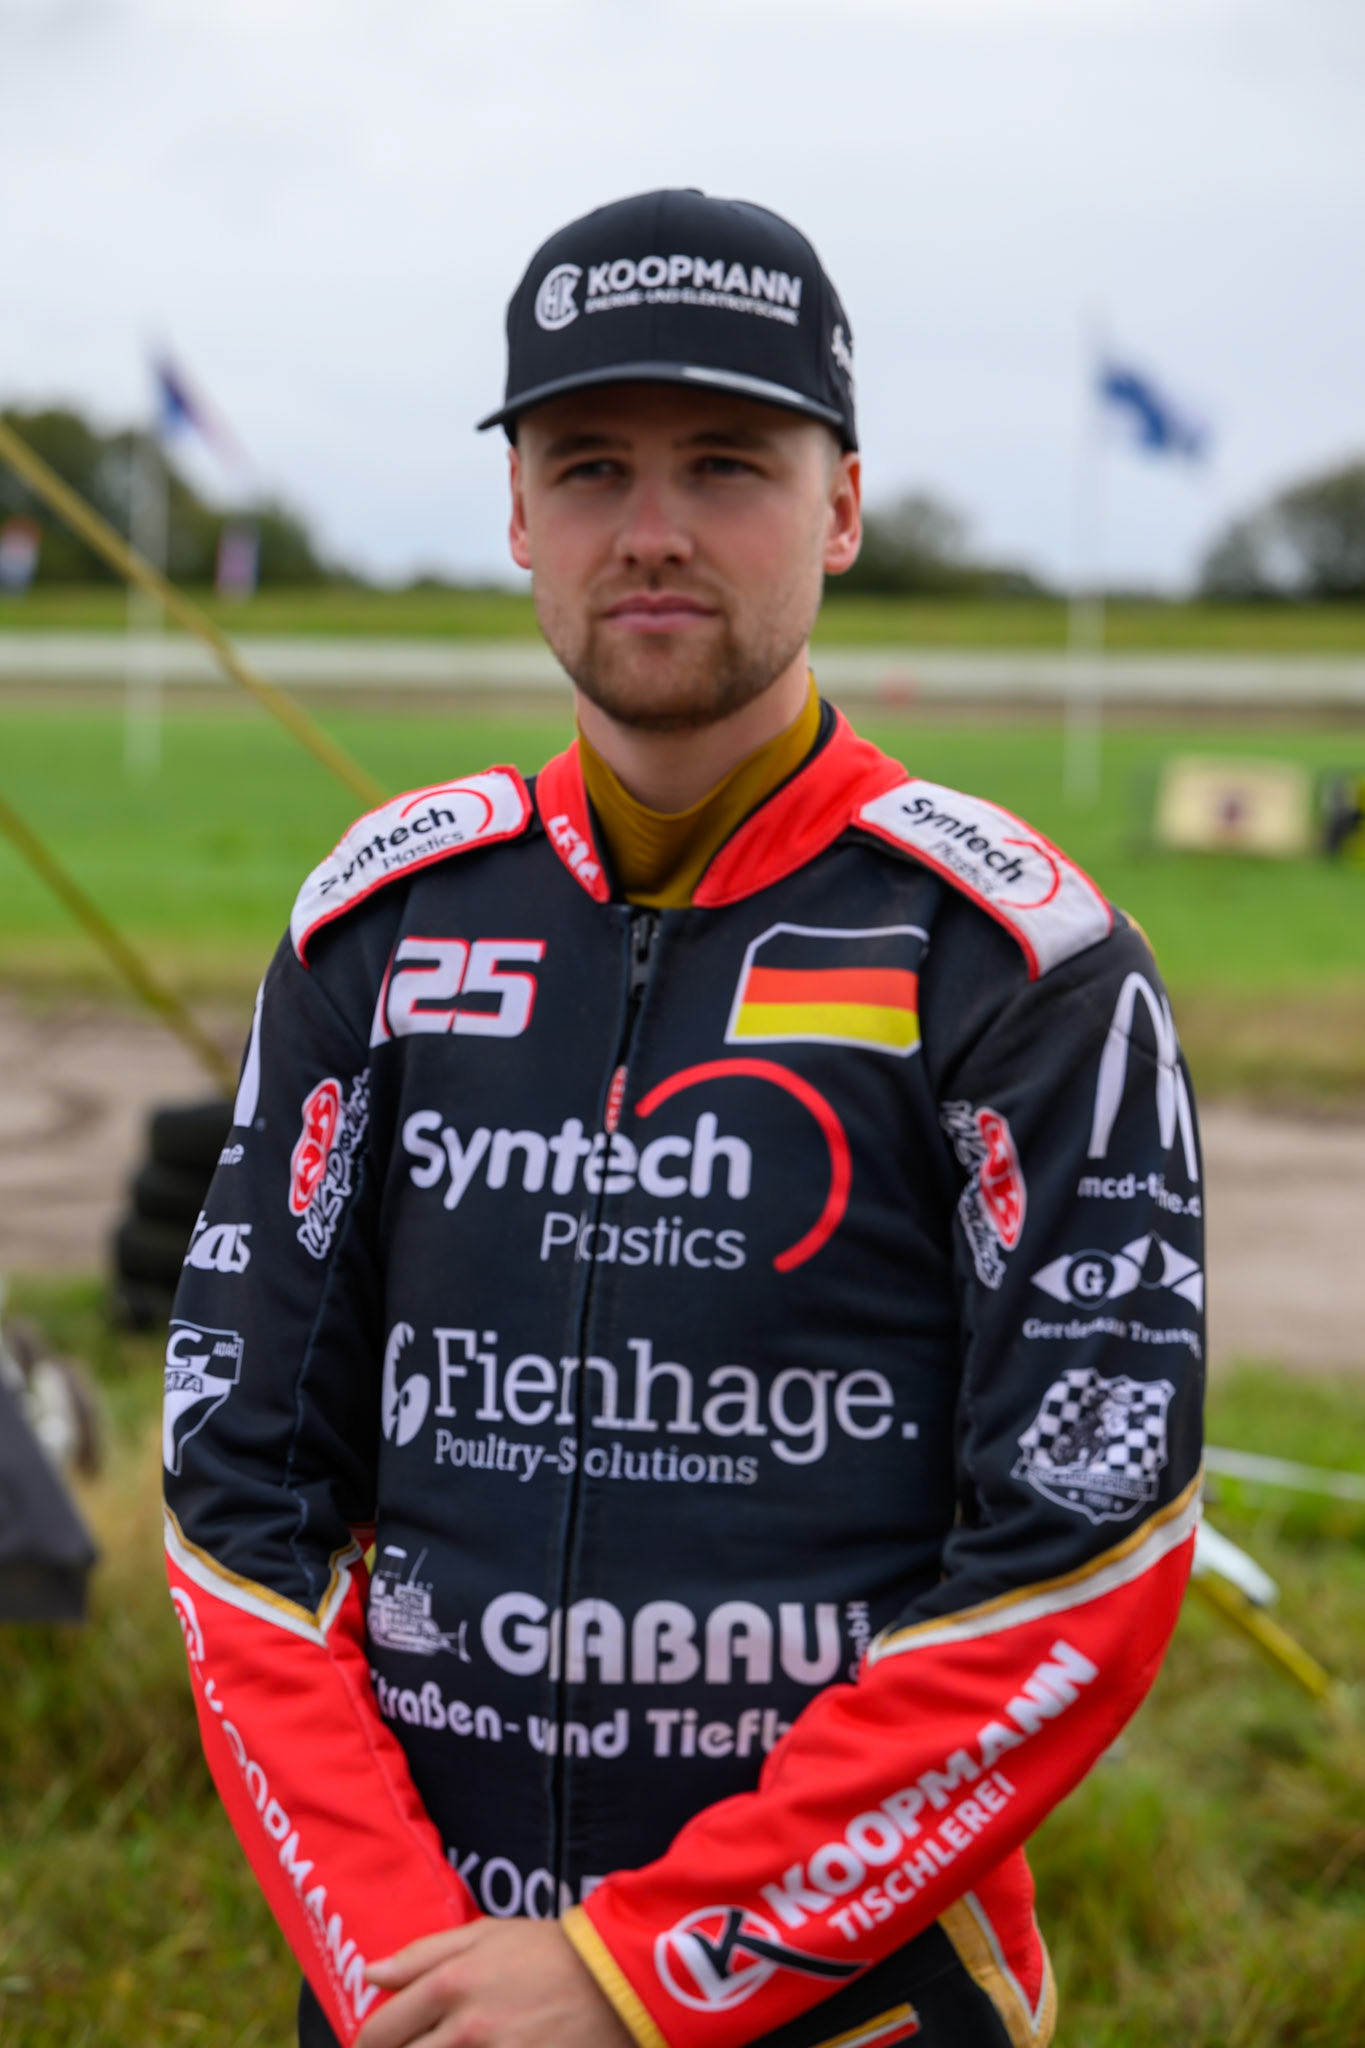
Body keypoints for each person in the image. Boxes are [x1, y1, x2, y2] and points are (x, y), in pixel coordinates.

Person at [163, 188, 1205, 2048]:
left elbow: (1088, 1548)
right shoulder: (380, 926)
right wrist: (415, 1964)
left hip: (850, 1994)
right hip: (416, 1986)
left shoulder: (1012, 958)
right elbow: (235, 1494)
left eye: (727, 463)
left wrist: (640, 1969)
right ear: (514, 519)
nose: (648, 532)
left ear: (843, 507)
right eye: (585, 468)